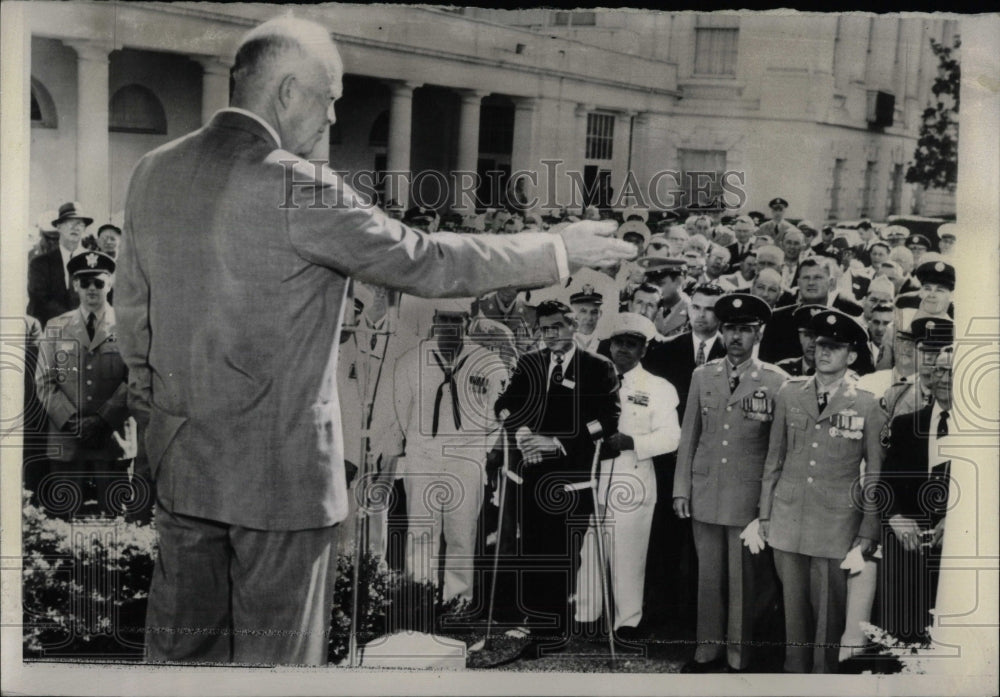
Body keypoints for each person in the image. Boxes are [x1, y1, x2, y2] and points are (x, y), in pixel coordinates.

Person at [115, 16, 635, 666]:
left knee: (180, 666)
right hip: (281, 482)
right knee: (275, 668)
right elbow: (426, 258)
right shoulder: (297, 186)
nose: (334, 118)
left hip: (180, 464)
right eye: (330, 99)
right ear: (285, 93)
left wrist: (153, 437)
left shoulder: (151, 172)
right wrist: (554, 249)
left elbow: (132, 330)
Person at [758, 309, 887, 673]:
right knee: (792, 609)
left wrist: (868, 529)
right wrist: (765, 513)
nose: (823, 352)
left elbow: (874, 472)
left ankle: (823, 680)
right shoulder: (789, 392)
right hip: (787, 517)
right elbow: (774, 459)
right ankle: (794, 673)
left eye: (834, 347)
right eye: (819, 345)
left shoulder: (865, 402)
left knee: (829, 612)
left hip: (836, 524)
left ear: (852, 355)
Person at [494, 300, 621, 658]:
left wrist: (559, 443)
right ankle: (537, 623)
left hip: (572, 477)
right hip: (532, 473)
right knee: (533, 549)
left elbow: (607, 421)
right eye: (544, 328)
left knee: (563, 552)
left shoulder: (598, 367)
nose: (550, 334)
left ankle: (556, 629)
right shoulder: (530, 363)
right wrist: (520, 433)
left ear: (572, 326)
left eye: (557, 326)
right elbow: (503, 405)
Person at [673, 294, 788, 673]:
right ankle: (707, 651)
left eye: (746, 330)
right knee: (708, 579)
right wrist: (681, 489)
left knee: (743, 584)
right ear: (720, 332)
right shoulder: (702, 375)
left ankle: (739, 656)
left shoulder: (775, 381)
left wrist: (767, 506)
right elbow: (689, 436)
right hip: (705, 492)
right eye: (731, 329)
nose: (737, 337)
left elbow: (776, 451)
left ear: (759, 334)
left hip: (746, 496)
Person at [372, 305, 508, 605]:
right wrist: (397, 453)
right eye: (443, 319)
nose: (449, 326)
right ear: (434, 321)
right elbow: (398, 410)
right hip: (424, 455)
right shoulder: (412, 360)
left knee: (462, 532)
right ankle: (420, 594)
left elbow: (500, 413)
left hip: (466, 455)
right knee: (421, 529)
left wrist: (488, 452)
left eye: (456, 320)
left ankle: (458, 599)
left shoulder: (487, 362)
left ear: (468, 322)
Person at [574, 313, 680, 640]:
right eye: (619, 342)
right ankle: (586, 615)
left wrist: (632, 442)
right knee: (590, 548)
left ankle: (627, 621)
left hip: (632, 475)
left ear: (643, 350)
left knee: (628, 552)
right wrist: (590, 438)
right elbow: (579, 421)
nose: (623, 350)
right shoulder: (592, 379)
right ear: (610, 344)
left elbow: (672, 437)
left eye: (631, 344)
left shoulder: (658, 388)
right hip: (593, 474)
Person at [35, 251, 130, 516]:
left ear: (109, 284)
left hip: (112, 439)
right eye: (84, 282)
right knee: (62, 527)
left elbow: (134, 377)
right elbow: (44, 380)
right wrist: (71, 421)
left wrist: (103, 420)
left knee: (117, 525)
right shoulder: (55, 327)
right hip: (67, 439)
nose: (91, 289)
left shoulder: (128, 326)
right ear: (75, 285)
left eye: (98, 282)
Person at [878, 346, 955, 644]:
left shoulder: (985, 433)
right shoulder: (906, 426)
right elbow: (885, 484)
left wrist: (956, 521)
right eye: (939, 370)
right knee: (903, 639)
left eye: (954, 372)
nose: (945, 378)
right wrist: (895, 517)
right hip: (909, 555)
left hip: (956, 558)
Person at [27, 201, 91, 327]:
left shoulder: (94, 261)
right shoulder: (40, 263)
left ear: (84, 228)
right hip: (51, 332)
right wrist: (73, 321)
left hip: (88, 334)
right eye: (69, 222)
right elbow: (40, 300)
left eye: (79, 223)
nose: (75, 227)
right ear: (59, 227)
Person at [569, 285, 604, 352]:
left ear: (600, 315)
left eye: (594, 312)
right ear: (574, 314)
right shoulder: (564, 343)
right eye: (583, 311)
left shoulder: (606, 345)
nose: (589, 318)